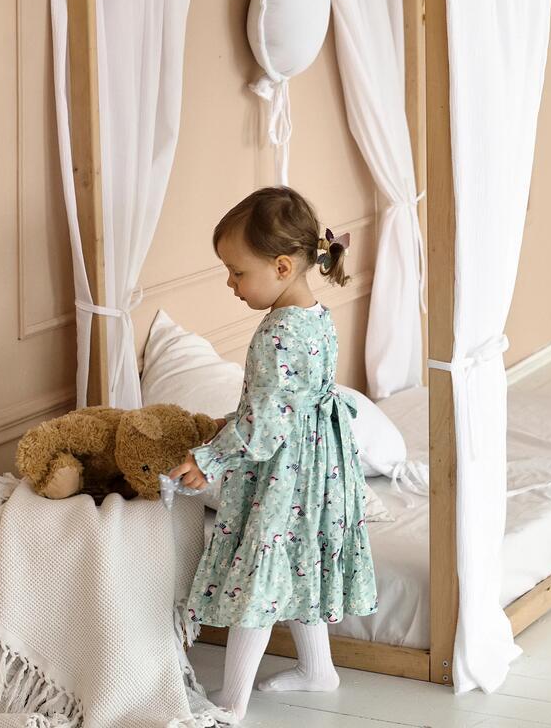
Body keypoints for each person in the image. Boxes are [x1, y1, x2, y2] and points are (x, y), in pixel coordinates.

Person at [168, 186, 379, 722]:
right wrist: (232, 424)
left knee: (257, 577)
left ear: (282, 267)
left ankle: (231, 701)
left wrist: (210, 459)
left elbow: (265, 425)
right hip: (317, 467)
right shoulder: (315, 314)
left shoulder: (279, 334)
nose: (231, 283)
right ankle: (318, 670)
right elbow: (285, 402)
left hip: (285, 475)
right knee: (297, 562)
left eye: (237, 272)